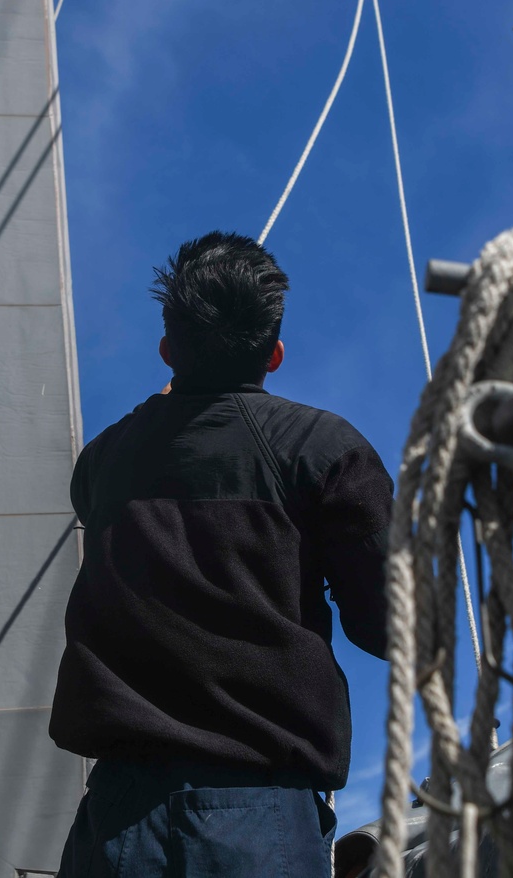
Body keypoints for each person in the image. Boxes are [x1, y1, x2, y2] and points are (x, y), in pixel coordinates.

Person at [50, 231, 394, 877]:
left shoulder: (101, 463)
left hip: (116, 817)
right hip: (261, 815)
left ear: (165, 349)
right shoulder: (325, 448)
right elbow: (391, 627)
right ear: (277, 353)